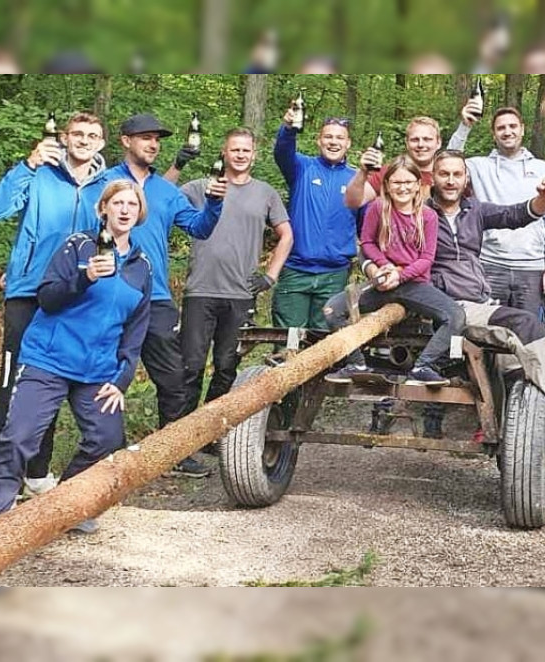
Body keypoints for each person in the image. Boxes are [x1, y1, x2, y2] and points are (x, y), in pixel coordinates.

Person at [0, 180, 153, 533]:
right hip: (48, 360)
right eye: (118, 203)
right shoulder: (79, 246)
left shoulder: (141, 266)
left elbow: (135, 330)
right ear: (104, 209)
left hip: (97, 370)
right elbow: (48, 297)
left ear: (139, 213)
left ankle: (67, 507)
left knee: (106, 437)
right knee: (18, 439)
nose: (125, 210)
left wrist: (121, 380)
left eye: (132, 204)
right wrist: (84, 277)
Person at [424, 149, 545, 429]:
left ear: (465, 177)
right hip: (447, 304)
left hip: (478, 302)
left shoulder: (475, 210)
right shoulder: (421, 213)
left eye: (457, 174)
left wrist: (543, 199)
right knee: (523, 322)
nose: (450, 180)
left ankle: (518, 422)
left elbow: (515, 215)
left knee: (517, 348)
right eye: (444, 174)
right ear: (432, 176)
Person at [0, 111, 109, 498]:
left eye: (92, 135)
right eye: (77, 134)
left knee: (51, 382)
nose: (84, 140)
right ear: (65, 138)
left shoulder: (107, 184)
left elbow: (120, 231)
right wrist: (27, 163)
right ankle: (2, 479)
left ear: (101, 143)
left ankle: (37, 473)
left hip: (76, 295)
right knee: (14, 384)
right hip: (28, 291)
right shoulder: (39, 173)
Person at [102, 113, 225, 476]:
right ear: (126, 141)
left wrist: (214, 204)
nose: (153, 144)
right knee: (103, 375)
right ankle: (106, 455)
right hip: (107, 294)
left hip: (154, 298)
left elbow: (199, 228)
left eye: (157, 139)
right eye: (145, 138)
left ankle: (172, 453)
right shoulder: (104, 183)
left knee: (175, 377)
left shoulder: (167, 192)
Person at [323, 156, 463, 387]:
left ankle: (423, 366)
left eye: (408, 182)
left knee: (455, 315)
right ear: (387, 185)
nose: (403, 187)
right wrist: (383, 265)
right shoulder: (378, 208)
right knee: (332, 310)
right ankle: (356, 362)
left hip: (414, 284)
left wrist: (400, 274)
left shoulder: (428, 216)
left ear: (418, 185)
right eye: (397, 182)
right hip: (382, 281)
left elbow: (427, 258)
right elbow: (366, 242)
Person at [179, 127, 293, 411]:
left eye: (246, 150)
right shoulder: (199, 188)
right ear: (224, 152)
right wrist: (178, 164)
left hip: (241, 293)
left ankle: (210, 428)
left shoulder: (265, 193)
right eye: (235, 149)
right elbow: (159, 199)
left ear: (253, 155)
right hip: (201, 290)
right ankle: (179, 433)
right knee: (190, 365)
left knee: (226, 366)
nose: (240, 155)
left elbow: (287, 235)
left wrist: (270, 275)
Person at [445, 105, 545, 316]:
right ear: (494, 134)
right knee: (484, 334)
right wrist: (465, 126)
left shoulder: (542, 168)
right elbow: (445, 163)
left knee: (526, 336)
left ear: (523, 129)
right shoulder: (478, 166)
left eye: (513, 126)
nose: (508, 132)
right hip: (489, 265)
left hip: (531, 268)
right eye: (501, 128)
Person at [272, 114, 358, 331]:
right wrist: (289, 128)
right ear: (318, 141)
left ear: (348, 144)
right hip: (296, 269)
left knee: (324, 341)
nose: (333, 142)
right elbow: (282, 152)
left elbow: (368, 226)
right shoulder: (302, 167)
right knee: (288, 339)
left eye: (339, 138)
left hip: (335, 274)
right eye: (328, 136)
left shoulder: (357, 179)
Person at [344, 116, 442, 211]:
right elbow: (353, 202)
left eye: (427, 139)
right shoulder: (389, 172)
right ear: (407, 143)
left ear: (438, 143)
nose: (421, 144)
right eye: (415, 140)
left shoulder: (448, 175)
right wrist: (363, 171)